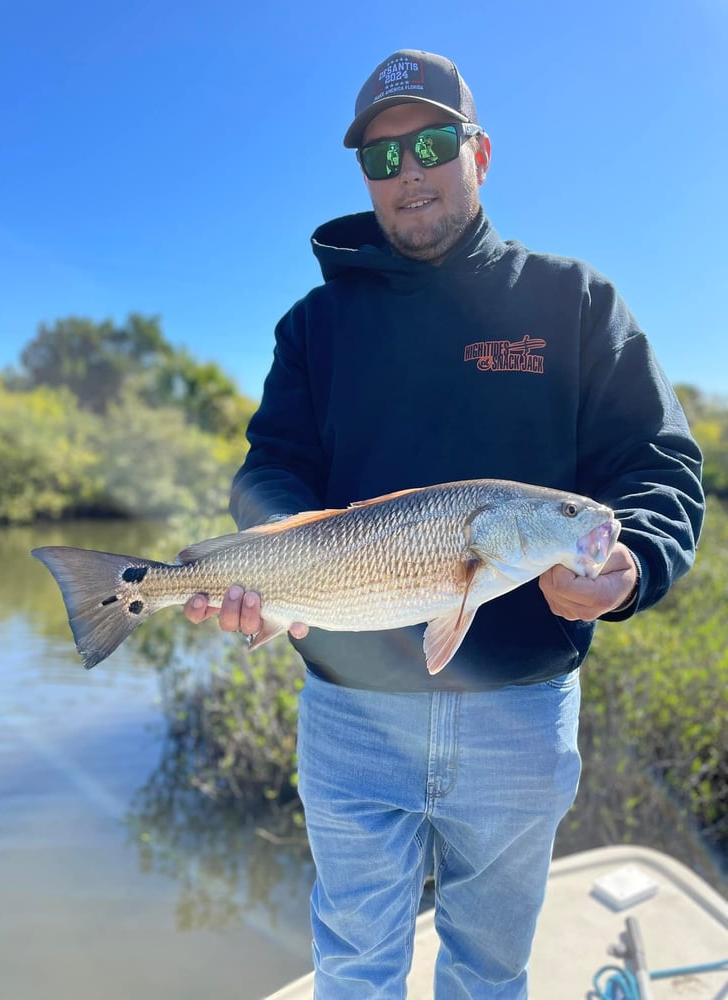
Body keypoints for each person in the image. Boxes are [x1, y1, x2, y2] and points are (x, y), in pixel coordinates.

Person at [185, 49, 705, 998]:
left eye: (430, 144)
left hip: (521, 711)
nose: (408, 173)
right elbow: (272, 466)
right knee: (354, 970)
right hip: (348, 712)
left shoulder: (575, 302)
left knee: (488, 974)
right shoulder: (314, 325)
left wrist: (630, 569)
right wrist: (270, 548)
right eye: (381, 159)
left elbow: (658, 466)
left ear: (480, 152)